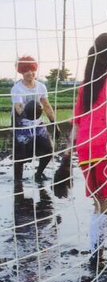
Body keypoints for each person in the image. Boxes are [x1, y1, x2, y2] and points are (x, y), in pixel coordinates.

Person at [70, 33, 107, 271]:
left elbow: (76, 124)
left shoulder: (87, 82)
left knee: (100, 205)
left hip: (87, 150)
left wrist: (65, 159)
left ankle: (95, 255)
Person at [11, 56, 58, 200]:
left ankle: (38, 174)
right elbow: (18, 108)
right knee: (20, 156)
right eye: (26, 70)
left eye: (31, 69)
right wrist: (29, 110)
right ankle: (17, 182)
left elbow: (46, 105)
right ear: (21, 72)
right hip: (21, 124)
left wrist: (54, 122)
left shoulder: (41, 86)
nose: (29, 73)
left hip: (37, 124)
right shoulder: (17, 89)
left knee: (49, 150)